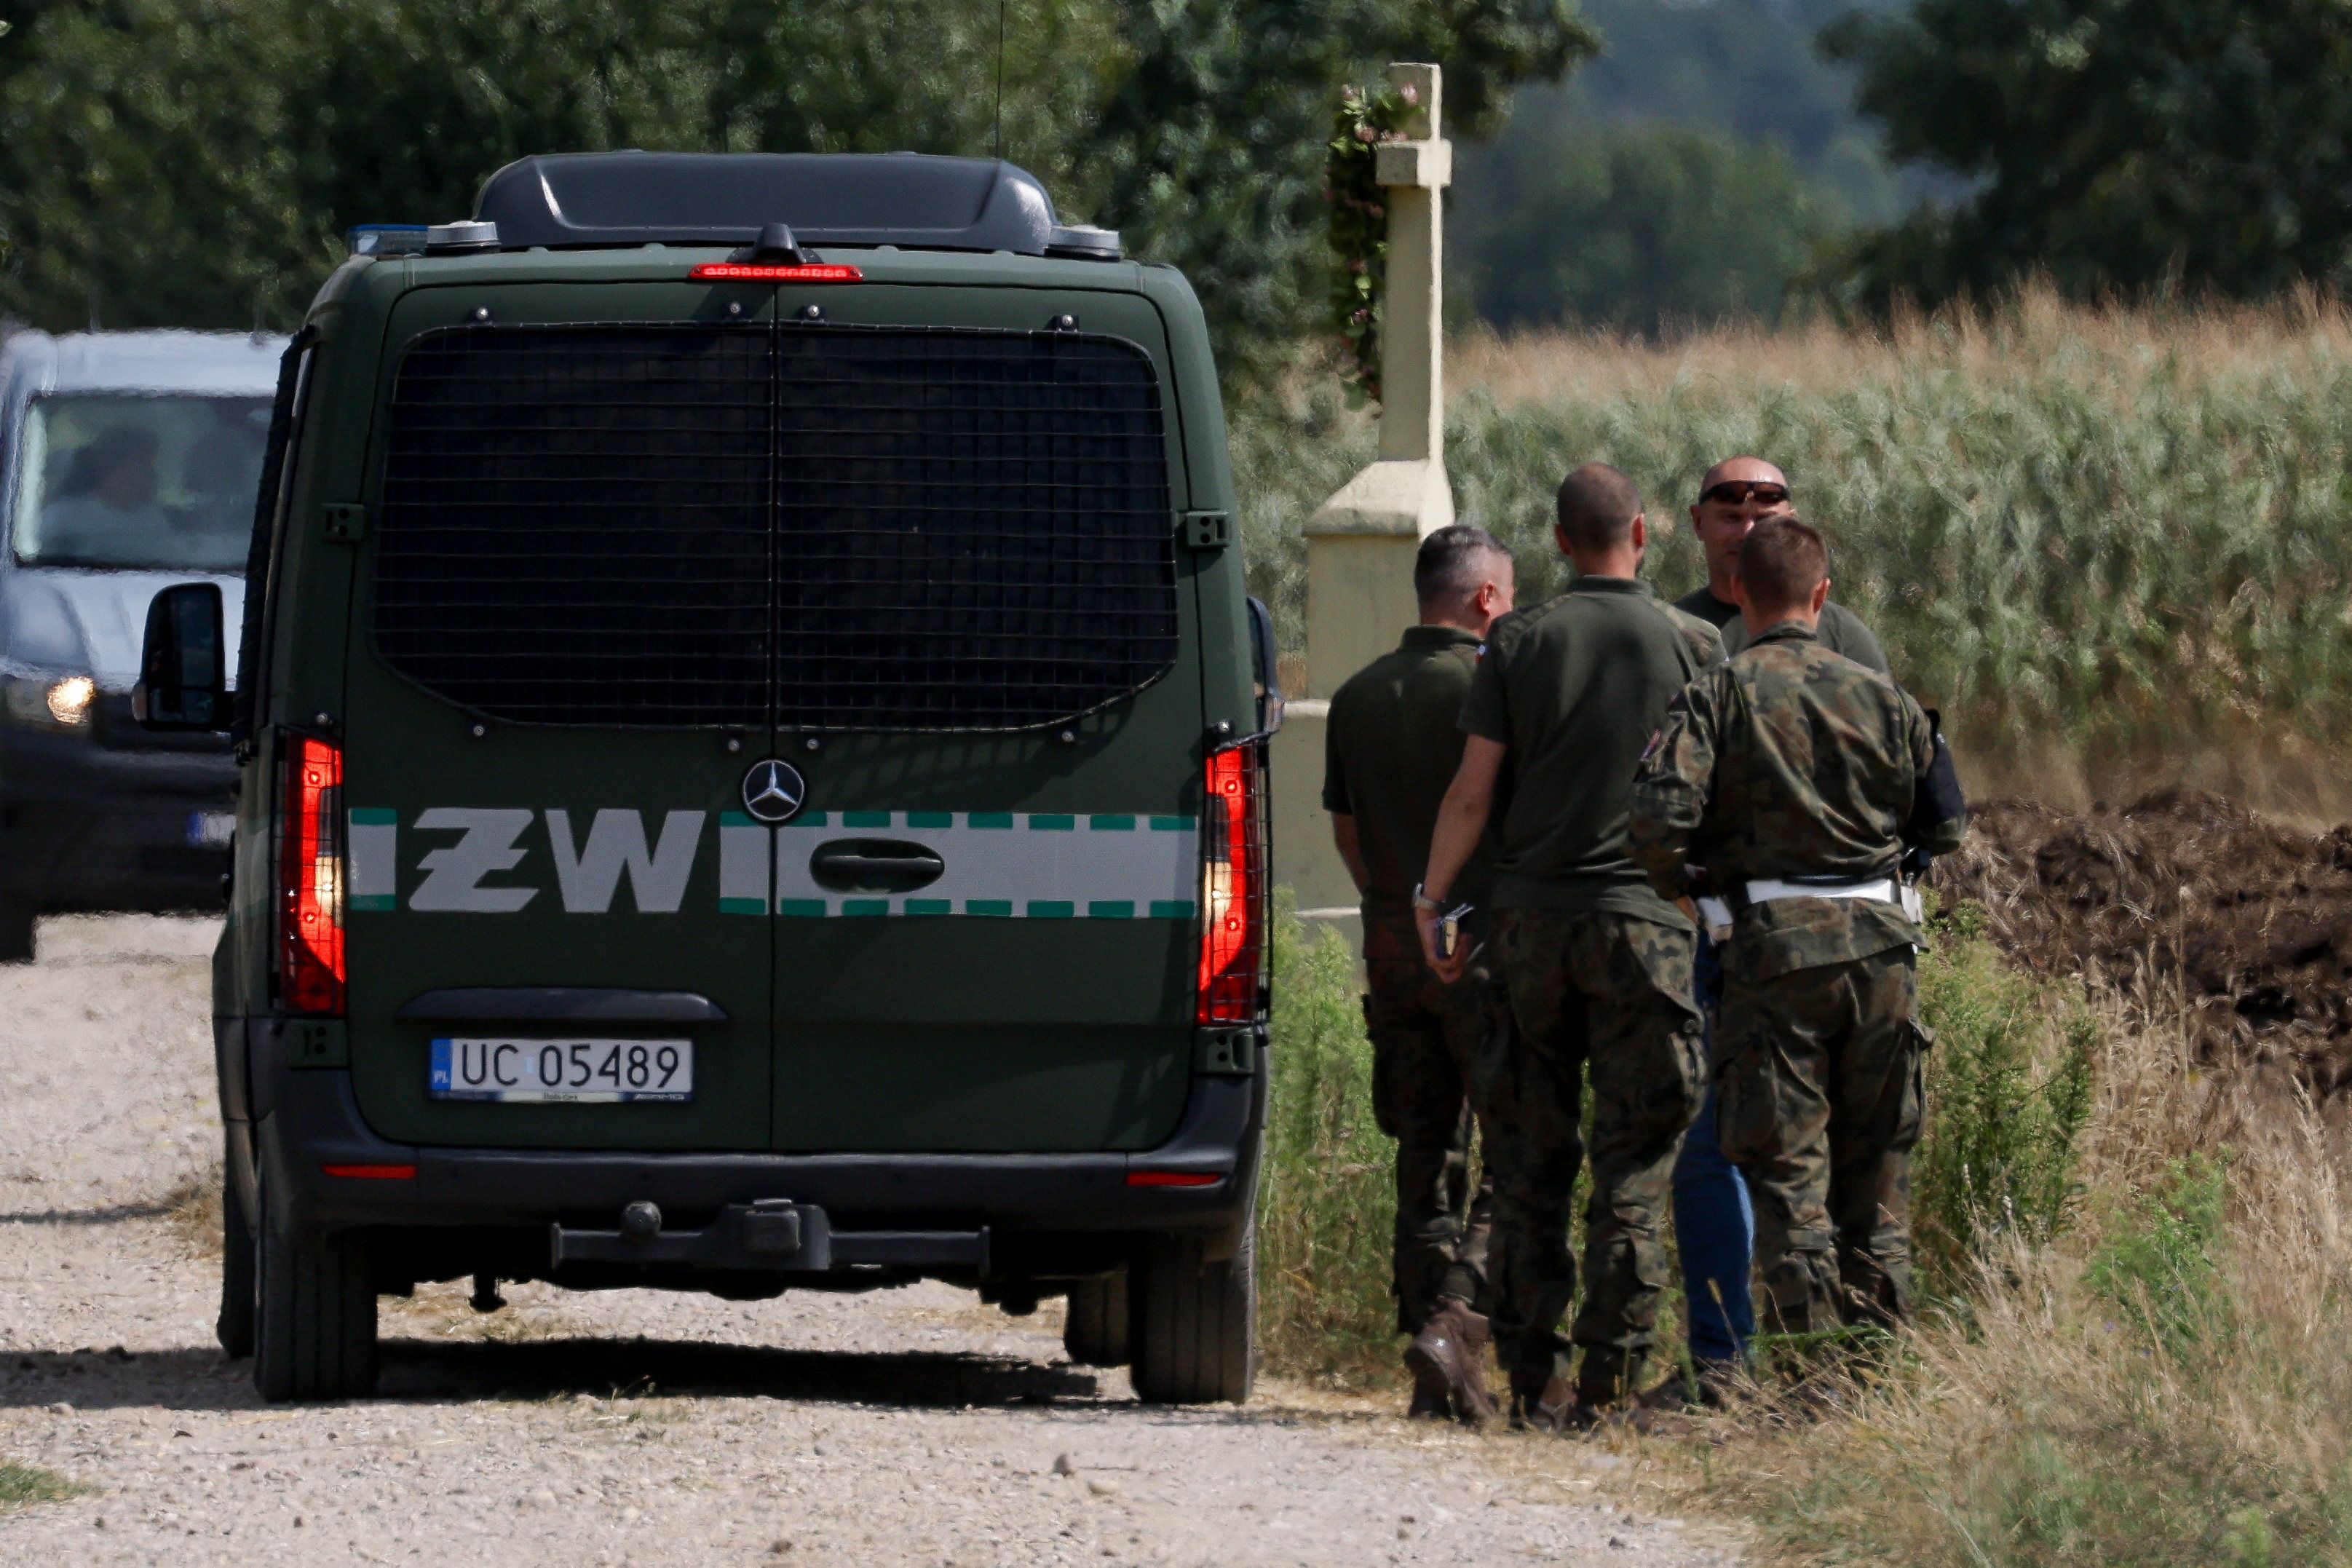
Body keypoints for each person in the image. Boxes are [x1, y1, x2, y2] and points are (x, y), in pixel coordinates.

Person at [1416, 462, 1718, 1430]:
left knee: (1530, 1157)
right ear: (1642, 532)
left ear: (1555, 541)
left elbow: (1471, 791)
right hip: (1647, 928)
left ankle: (1532, 1376)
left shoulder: (1518, 641)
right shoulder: (1697, 642)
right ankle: (1608, 1382)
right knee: (1635, 1158)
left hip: (1530, 928)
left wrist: (1432, 901)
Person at [1629, 515, 1965, 1366]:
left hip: (1771, 956)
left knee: (1786, 1178)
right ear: (1823, 596)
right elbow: (1949, 822)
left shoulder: (1718, 694)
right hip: (1884, 956)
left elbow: (1657, 820)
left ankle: (1808, 1383)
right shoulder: (1887, 699)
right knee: (1879, 1182)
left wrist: (1695, 888)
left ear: (1738, 591)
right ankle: (1874, 1377)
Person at [1663, 456, 1890, 1395]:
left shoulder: (1847, 638)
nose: (1747, 514)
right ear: (1696, 520)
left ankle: (1834, 1369)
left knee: (1836, 1150)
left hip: (1840, 938)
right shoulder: (1681, 633)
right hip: (1717, 936)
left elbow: (1897, 772)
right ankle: (1731, 1356)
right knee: (1716, 1143)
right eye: (1729, 501)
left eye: (1766, 500)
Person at [1322, 524, 1516, 1424]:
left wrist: (1396, 910)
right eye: (1507, 598)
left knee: (1424, 1155)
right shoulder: (1488, 685)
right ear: (1484, 598)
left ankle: (1432, 1372)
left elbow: (1349, 832)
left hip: (1393, 946)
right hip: (1480, 946)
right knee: (1516, 1150)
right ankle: (1458, 1324)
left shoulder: (1358, 696)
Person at [1675, 456, 1886, 670]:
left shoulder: (1840, 633)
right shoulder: (1673, 630)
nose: (1748, 533)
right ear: (1699, 521)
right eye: (1731, 518)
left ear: (1790, 525)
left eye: (1764, 520)